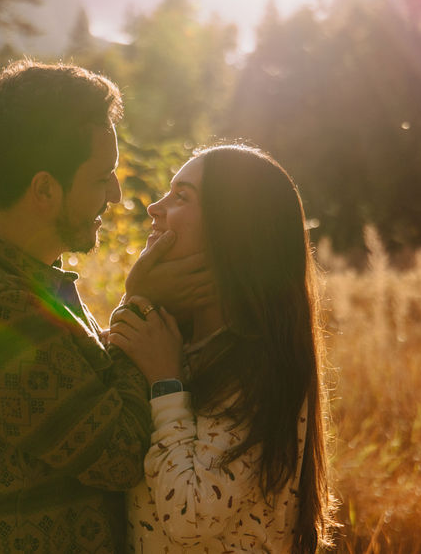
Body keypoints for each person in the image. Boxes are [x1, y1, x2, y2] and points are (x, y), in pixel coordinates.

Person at [0, 60, 209, 553]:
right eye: (101, 178)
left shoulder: (1, 272)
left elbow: (79, 400)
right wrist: (143, 302)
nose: (115, 195)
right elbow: (119, 455)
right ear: (44, 190)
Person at [108, 143, 336, 553]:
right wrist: (138, 296)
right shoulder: (181, 340)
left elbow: (190, 515)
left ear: (231, 229)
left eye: (181, 197)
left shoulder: (258, 363)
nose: (154, 208)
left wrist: (165, 384)